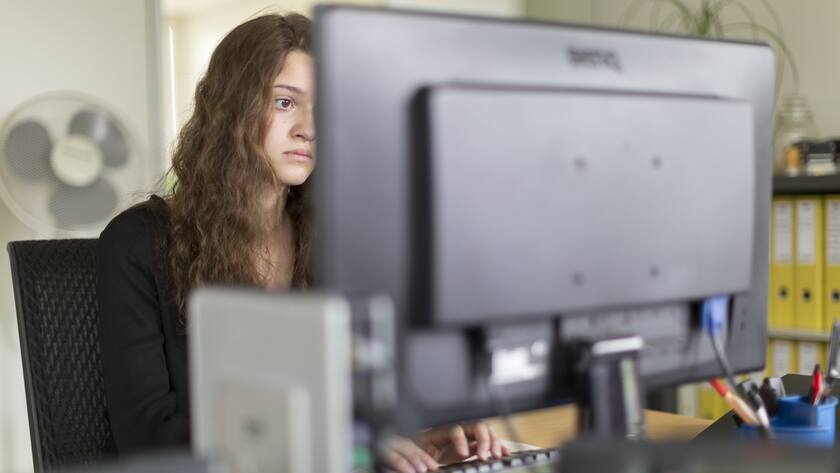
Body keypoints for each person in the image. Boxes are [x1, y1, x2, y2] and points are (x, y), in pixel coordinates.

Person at [97, 12, 507, 472]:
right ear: (231, 109)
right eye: (285, 102)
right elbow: (146, 438)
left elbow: (363, 396)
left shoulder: (333, 242)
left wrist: (418, 431)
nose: (308, 129)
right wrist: (337, 441)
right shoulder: (139, 242)